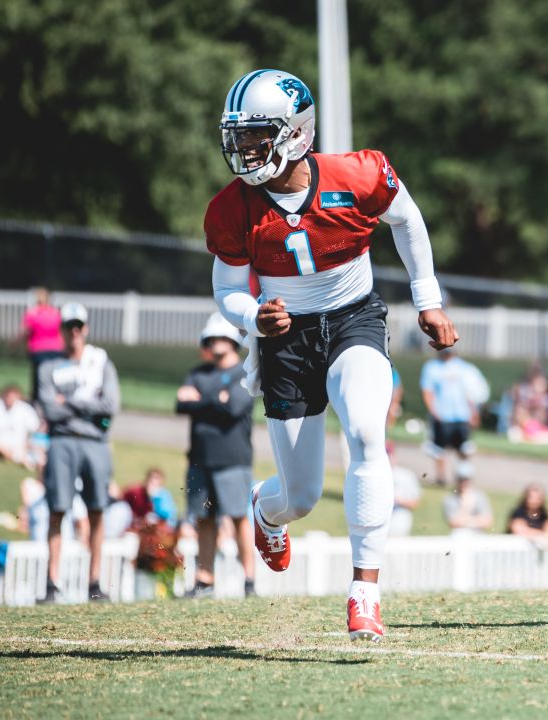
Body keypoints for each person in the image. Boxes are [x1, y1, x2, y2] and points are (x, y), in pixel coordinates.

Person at [205, 70, 457, 641]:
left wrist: (429, 301)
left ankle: (364, 591)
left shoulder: (359, 173)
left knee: (367, 431)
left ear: (295, 134)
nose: (243, 149)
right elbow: (226, 291)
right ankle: (266, 511)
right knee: (302, 497)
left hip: (354, 319)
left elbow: (408, 220)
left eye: (255, 135)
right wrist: (252, 317)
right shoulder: (230, 208)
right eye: (237, 137)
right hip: (285, 340)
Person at [35, 302, 121, 603]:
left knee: (97, 510)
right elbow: (48, 409)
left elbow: (110, 407)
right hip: (61, 441)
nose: (73, 331)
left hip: (95, 443)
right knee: (57, 509)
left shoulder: (101, 363)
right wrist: (87, 404)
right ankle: (51, 581)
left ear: (84, 328)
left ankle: (94, 581)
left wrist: (69, 402)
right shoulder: (48, 367)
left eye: (78, 326)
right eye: (68, 325)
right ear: (61, 330)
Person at [176, 312, 256, 599]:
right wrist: (216, 399)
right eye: (212, 338)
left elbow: (235, 406)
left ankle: (249, 581)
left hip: (233, 461)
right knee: (204, 520)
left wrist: (200, 399)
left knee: (238, 518)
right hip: (199, 460)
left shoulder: (245, 372)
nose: (216, 342)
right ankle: (204, 580)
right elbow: (180, 403)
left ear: (233, 340)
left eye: (221, 337)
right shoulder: (199, 372)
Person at [420, 347, 489, 486]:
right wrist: (434, 411)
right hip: (442, 415)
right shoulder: (431, 367)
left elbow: (472, 393)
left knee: (463, 449)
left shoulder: (465, 368)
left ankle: (462, 478)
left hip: (462, 415)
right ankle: (441, 479)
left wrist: (474, 413)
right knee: (439, 449)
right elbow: (428, 391)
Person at [0, 384, 43, 470]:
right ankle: (19, 459)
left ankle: (30, 461)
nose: (11, 400)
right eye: (9, 397)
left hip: (19, 445)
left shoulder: (24, 409)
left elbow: (37, 428)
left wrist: (28, 441)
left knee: (38, 447)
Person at [23, 288, 64, 401]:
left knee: (38, 376)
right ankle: (54, 397)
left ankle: (37, 399)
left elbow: (27, 331)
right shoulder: (55, 313)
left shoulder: (32, 313)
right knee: (54, 375)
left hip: (38, 349)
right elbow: (60, 332)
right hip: (55, 349)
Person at [388, 444, 421, 537]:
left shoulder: (406, 476)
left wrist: (398, 501)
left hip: (400, 521)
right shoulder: (374, 476)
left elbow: (415, 503)